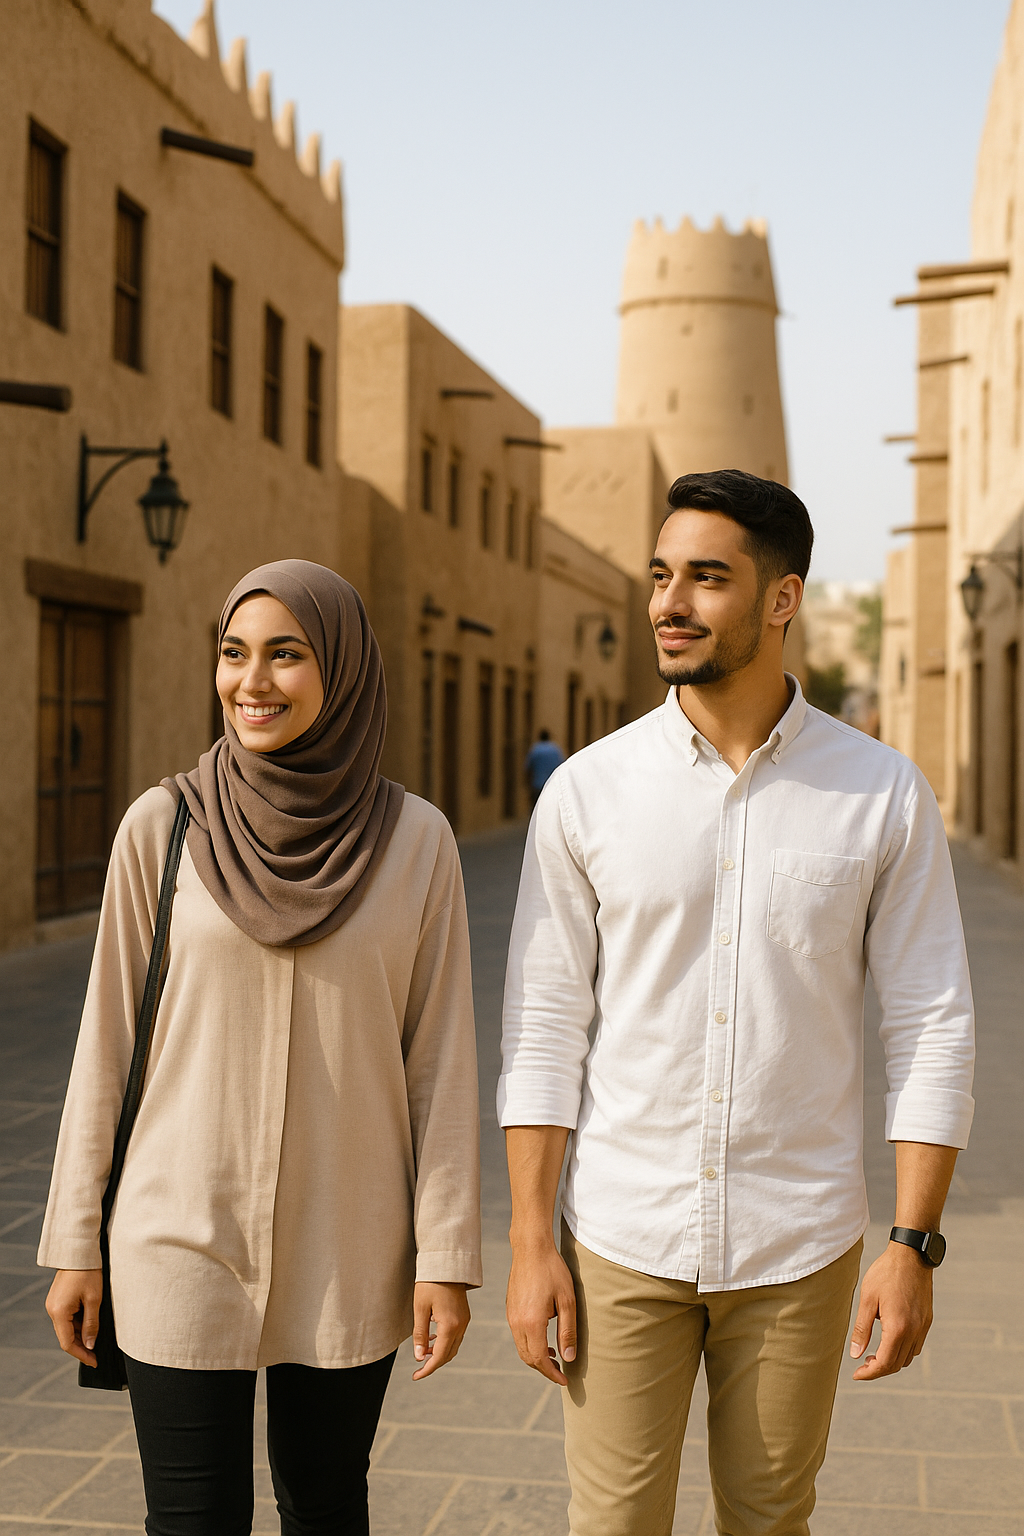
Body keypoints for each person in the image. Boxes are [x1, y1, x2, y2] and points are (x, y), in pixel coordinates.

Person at [499, 471, 974, 1536]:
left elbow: (931, 1021)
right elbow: (541, 1028)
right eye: (661, 575)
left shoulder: (882, 792)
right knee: (612, 1524)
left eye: (706, 578)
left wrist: (913, 1242)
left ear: (781, 600)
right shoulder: (587, 791)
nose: (669, 602)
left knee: (769, 1520)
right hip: (621, 1235)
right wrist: (533, 1244)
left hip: (797, 1245)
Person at [39, 560, 482, 1536]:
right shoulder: (161, 827)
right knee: (191, 1521)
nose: (253, 681)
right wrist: (75, 1243)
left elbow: (441, 1063)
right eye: (234, 653)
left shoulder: (416, 843)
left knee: (327, 1510)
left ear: (345, 671)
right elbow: (104, 1045)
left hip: (347, 1243)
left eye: (287, 655)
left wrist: (443, 1256)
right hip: (177, 1239)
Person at [524, 728, 566, 807]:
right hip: (552, 785)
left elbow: (528, 767)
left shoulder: (535, 749)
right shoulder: (555, 750)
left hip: (537, 785)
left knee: (536, 808)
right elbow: (562, 765)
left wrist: (528, 784)